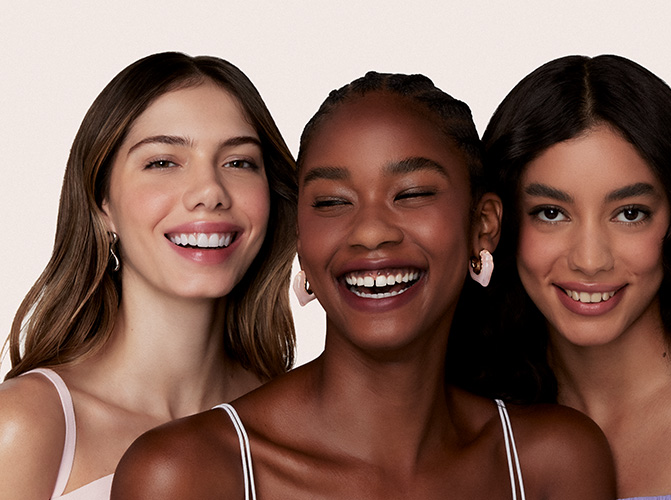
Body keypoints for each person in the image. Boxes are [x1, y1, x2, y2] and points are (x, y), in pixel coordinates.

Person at [111, 71, 615, 500]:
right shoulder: (186, 474)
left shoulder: (553, 462)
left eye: (412, 194)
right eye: (332, 202)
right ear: (301, 238)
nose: (371, 232)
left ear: (482, 225)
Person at [0, 51, 297, 499]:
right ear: (102, 204)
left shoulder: (289, 422)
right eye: (163, 162)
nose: (210, 192)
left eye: (239, 162)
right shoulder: (27, 424)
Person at [478, 54, 671, 498]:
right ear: (496, 224)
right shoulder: (467, 426)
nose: (590, 260)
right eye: (551, 213)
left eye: (630, 213)